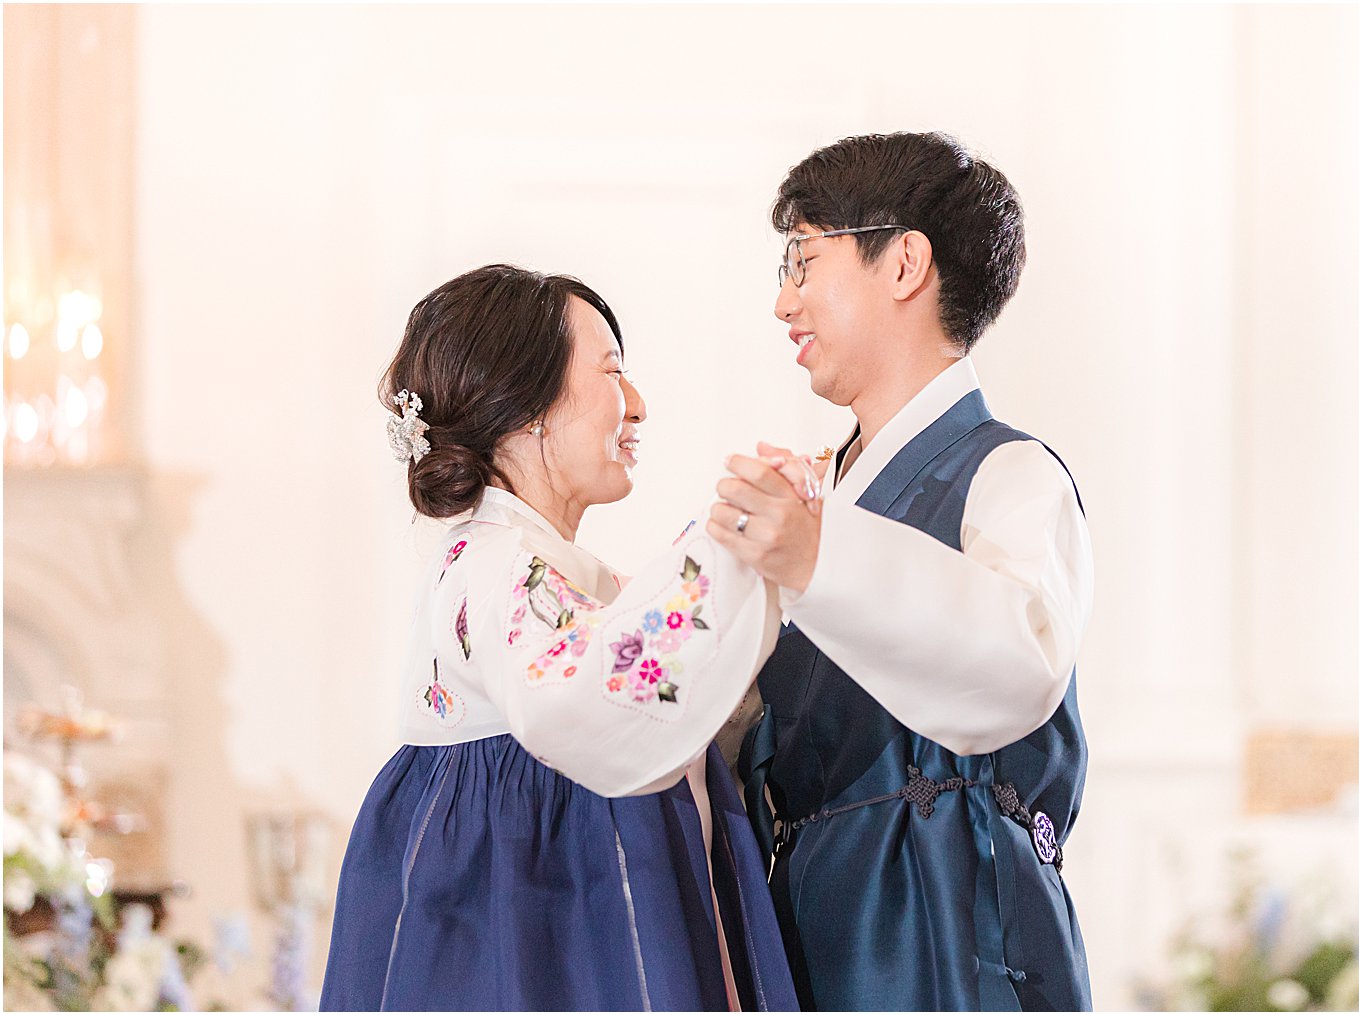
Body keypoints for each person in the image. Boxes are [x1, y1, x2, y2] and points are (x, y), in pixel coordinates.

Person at [320, 264, 800, 1012]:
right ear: (528, 408)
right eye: (612, 371)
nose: (636, 404)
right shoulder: (500, 568)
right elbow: (587, 704)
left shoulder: (537, 572)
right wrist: (729, 551)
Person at [708, 132, 1096, 1011]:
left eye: (803, 260)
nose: (783, 301)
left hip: (950, 935)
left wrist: (815, 554)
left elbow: (1016, 667)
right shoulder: (812, 495)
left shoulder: (1010, 472)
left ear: (905, 262)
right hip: (808, 928)